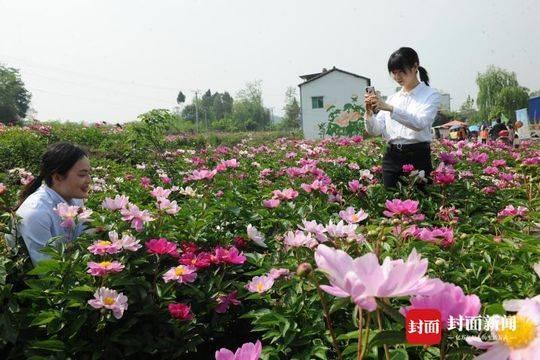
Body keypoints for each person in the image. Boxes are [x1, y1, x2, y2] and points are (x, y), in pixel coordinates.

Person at [364, 47, 441, 188]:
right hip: (392, 157)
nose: (397, 77)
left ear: (415, 66)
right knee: (391, 203)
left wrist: (389, 108)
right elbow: (374, 130)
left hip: (417, 156)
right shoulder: (393, 99)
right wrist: (369, 112)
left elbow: (420, 123)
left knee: (419, 203)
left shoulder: (431, 95)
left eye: (401, 71)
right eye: (394, 73)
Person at [14, 143, 91, 265]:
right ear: (57, 177)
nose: (89, 180)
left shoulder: (75, 200)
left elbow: (82, 239)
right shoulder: (35, 213)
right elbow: (47, 271)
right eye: (82, 174)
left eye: (88, 173)